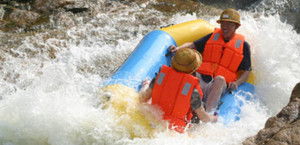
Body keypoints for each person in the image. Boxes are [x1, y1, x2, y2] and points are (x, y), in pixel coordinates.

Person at [169, 8, 252, 112]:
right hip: (201, 79)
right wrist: (178, 49)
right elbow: (192, 44)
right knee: (190, 72)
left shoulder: (244, 46)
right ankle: (177, 105)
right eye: (223, 24)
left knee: (220, 79)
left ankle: (208, 114)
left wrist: (237, 83)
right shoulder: (212, 37)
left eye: (229, 24)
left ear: (236, 26)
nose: (224, 27)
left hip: (218, 85)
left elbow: (247, 70)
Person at [139, 48, 217, 133]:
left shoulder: (160, 77)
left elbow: (143, 98)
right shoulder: (193, 91)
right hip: (174, 131)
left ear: (173, 63)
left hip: (151, 121)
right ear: (193, 69)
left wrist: (145, 85)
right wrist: (213, 118)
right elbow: (203, 117)